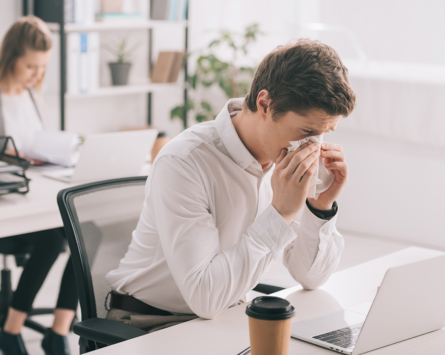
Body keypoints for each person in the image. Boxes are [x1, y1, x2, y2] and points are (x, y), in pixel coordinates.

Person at [105, 39, 356, 332]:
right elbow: (204, 298)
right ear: (265, 104)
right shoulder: (184, 161)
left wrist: (321, 206)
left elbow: (310, 276)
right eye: (307, 131)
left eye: (325, 133)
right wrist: (280, 214)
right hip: (150, 324)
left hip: (227, 316)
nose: (314, 146)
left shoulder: (284, 160)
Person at [0, 16, 78, 355]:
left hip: (36, 194)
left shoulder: (32, 96)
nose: (36, 74)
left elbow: (36, 147)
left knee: (83, 234)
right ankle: (11, 328)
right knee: (51, 242)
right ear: (10, 58)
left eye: (42, 67)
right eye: (30, 65)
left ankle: (58, 331)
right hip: (9, 208)